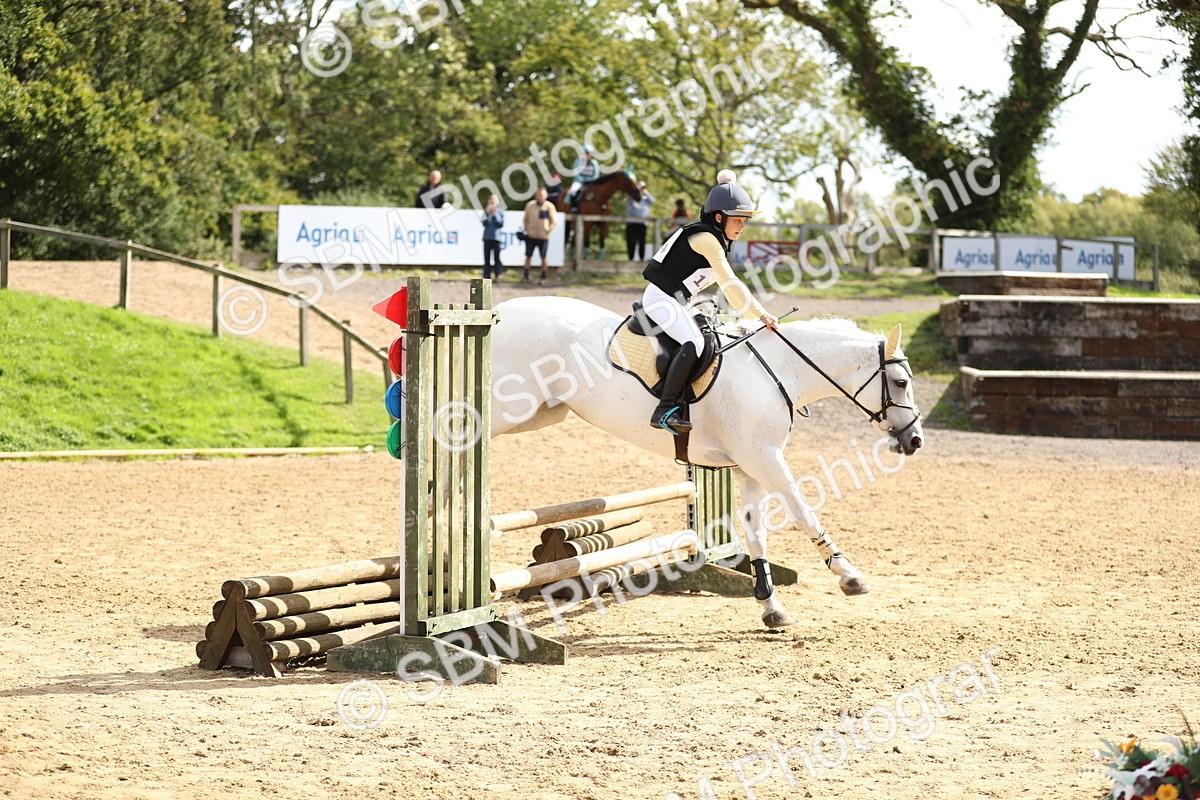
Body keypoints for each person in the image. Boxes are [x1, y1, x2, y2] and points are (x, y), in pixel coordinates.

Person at [641, 170, 776, 435]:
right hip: (660, 299)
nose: (742, 226)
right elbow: (730, 283)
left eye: (744, 221)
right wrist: (761, 315)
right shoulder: (706, 240)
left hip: (676, 300)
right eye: (737, 220)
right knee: (695, 342)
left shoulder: (716, 240)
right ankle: (665, 409)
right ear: (718, 217)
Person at [522, 186, 558, 283]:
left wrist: (547, 230)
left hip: (543, 237)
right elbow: (525, 220)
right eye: (539, 195)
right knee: (528, 256)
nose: (540, 197)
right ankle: (525, 275)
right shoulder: (530, 205)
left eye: (542, 195)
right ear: (536, 195)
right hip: (531, 236)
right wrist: (527, 229)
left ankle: (543, 277)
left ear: (545, 196)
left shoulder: (549, 206)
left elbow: (554, 221)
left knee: (543, 257)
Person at [625, 181, 655, 261]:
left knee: (642, 243)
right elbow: (628, 194)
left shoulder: (645, 200)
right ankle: (630, 259)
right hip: (631, 225)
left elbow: (652, 200)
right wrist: (635, 188)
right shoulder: (630, 199)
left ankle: (641, 259)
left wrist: (645, 191)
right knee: (631, 243)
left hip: (642, 225)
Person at [481, 195, 504, 280]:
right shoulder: (486, 212)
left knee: (496, 257)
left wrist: (495, 215)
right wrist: (487, 213)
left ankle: (497, 274)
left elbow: (500, 223)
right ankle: (486, 275)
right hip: (487, 238)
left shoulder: (500, 211)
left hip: (496, 238)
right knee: (487, 258)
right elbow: (484, 223)